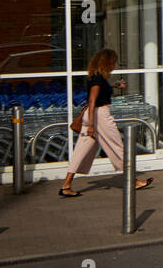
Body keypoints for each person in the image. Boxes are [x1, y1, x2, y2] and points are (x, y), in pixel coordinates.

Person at [61, 49, 153, 197]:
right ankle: (133, 181)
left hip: (92, 115)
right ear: (107, 62)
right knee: (118, 147)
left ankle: (66, 186)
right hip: (99, 116)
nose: (115, 64)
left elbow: (98, 95)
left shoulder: (96, 77)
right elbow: (92, 101)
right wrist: (92, 125)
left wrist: (114, 86)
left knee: (81, 150)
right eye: (114, 61)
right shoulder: (98, 79)